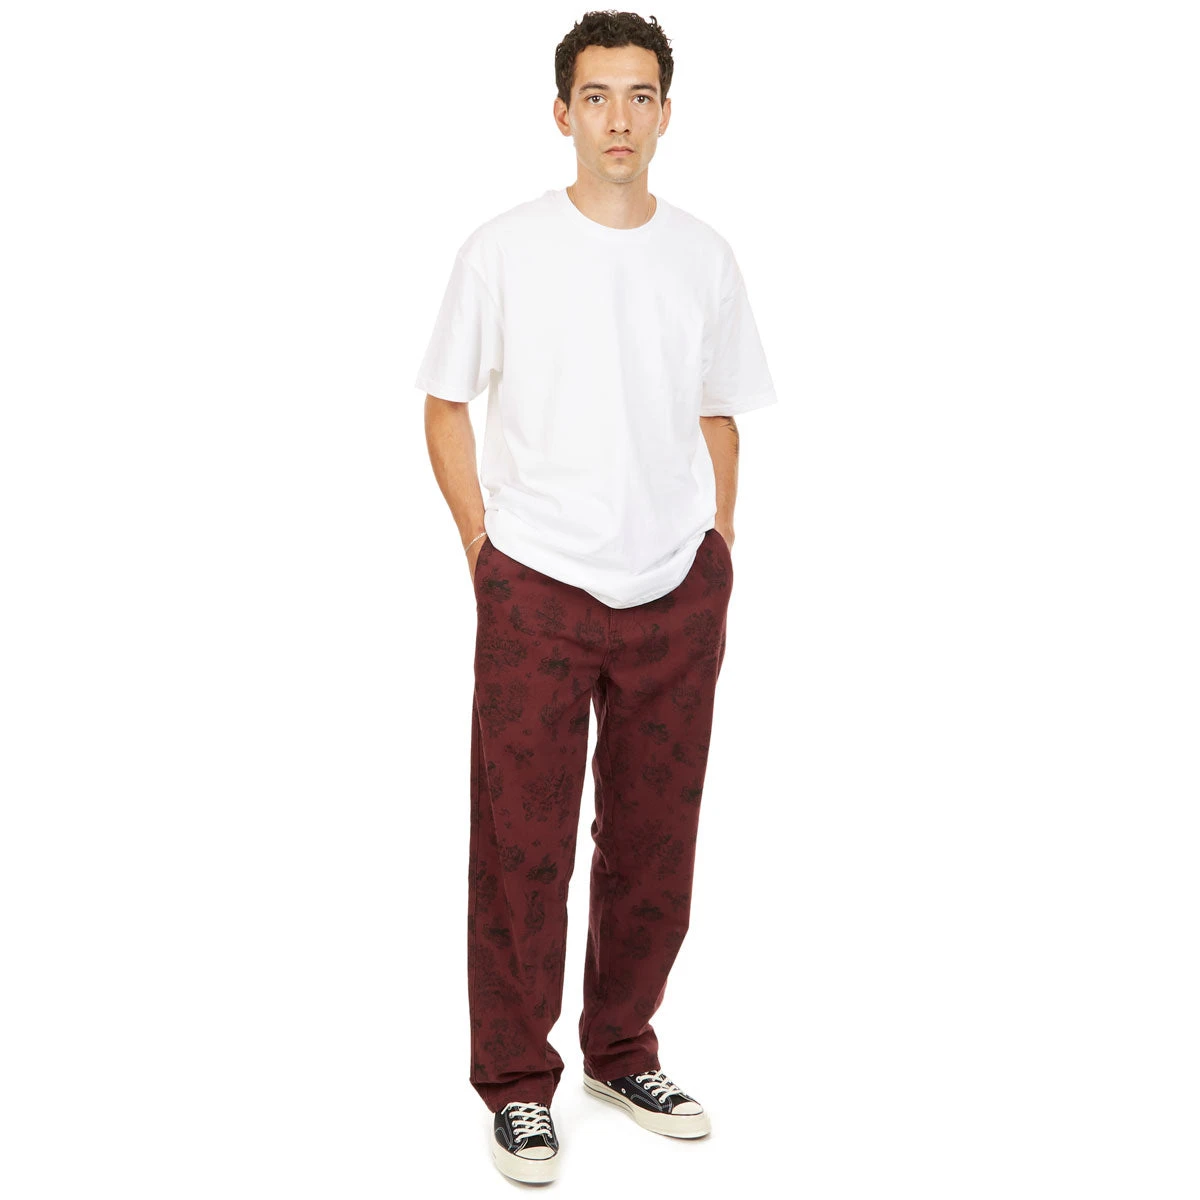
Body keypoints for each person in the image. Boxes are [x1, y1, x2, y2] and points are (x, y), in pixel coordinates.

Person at [414, 11, 777, 1184]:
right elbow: (445, 402)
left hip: (675, 587)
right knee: (519, 844)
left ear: (667, 113)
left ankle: (622, 1051)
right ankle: (519, 1084)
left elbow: (719, 410)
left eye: (640, 95)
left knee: (655, 843)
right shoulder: (504, 249)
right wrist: (483, 546)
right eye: (598, 96)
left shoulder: (704, 256)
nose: (619, 117)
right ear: (562, 112)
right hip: (536, 584)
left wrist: (719, 544)